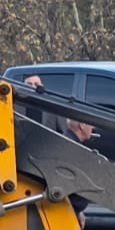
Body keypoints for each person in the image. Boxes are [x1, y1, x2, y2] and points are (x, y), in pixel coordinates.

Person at [22, 75, 94, 220]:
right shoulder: (14, 107)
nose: (33, 87)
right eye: (29, 84)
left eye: (36, 84)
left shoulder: (50, 110)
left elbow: (62, 132)